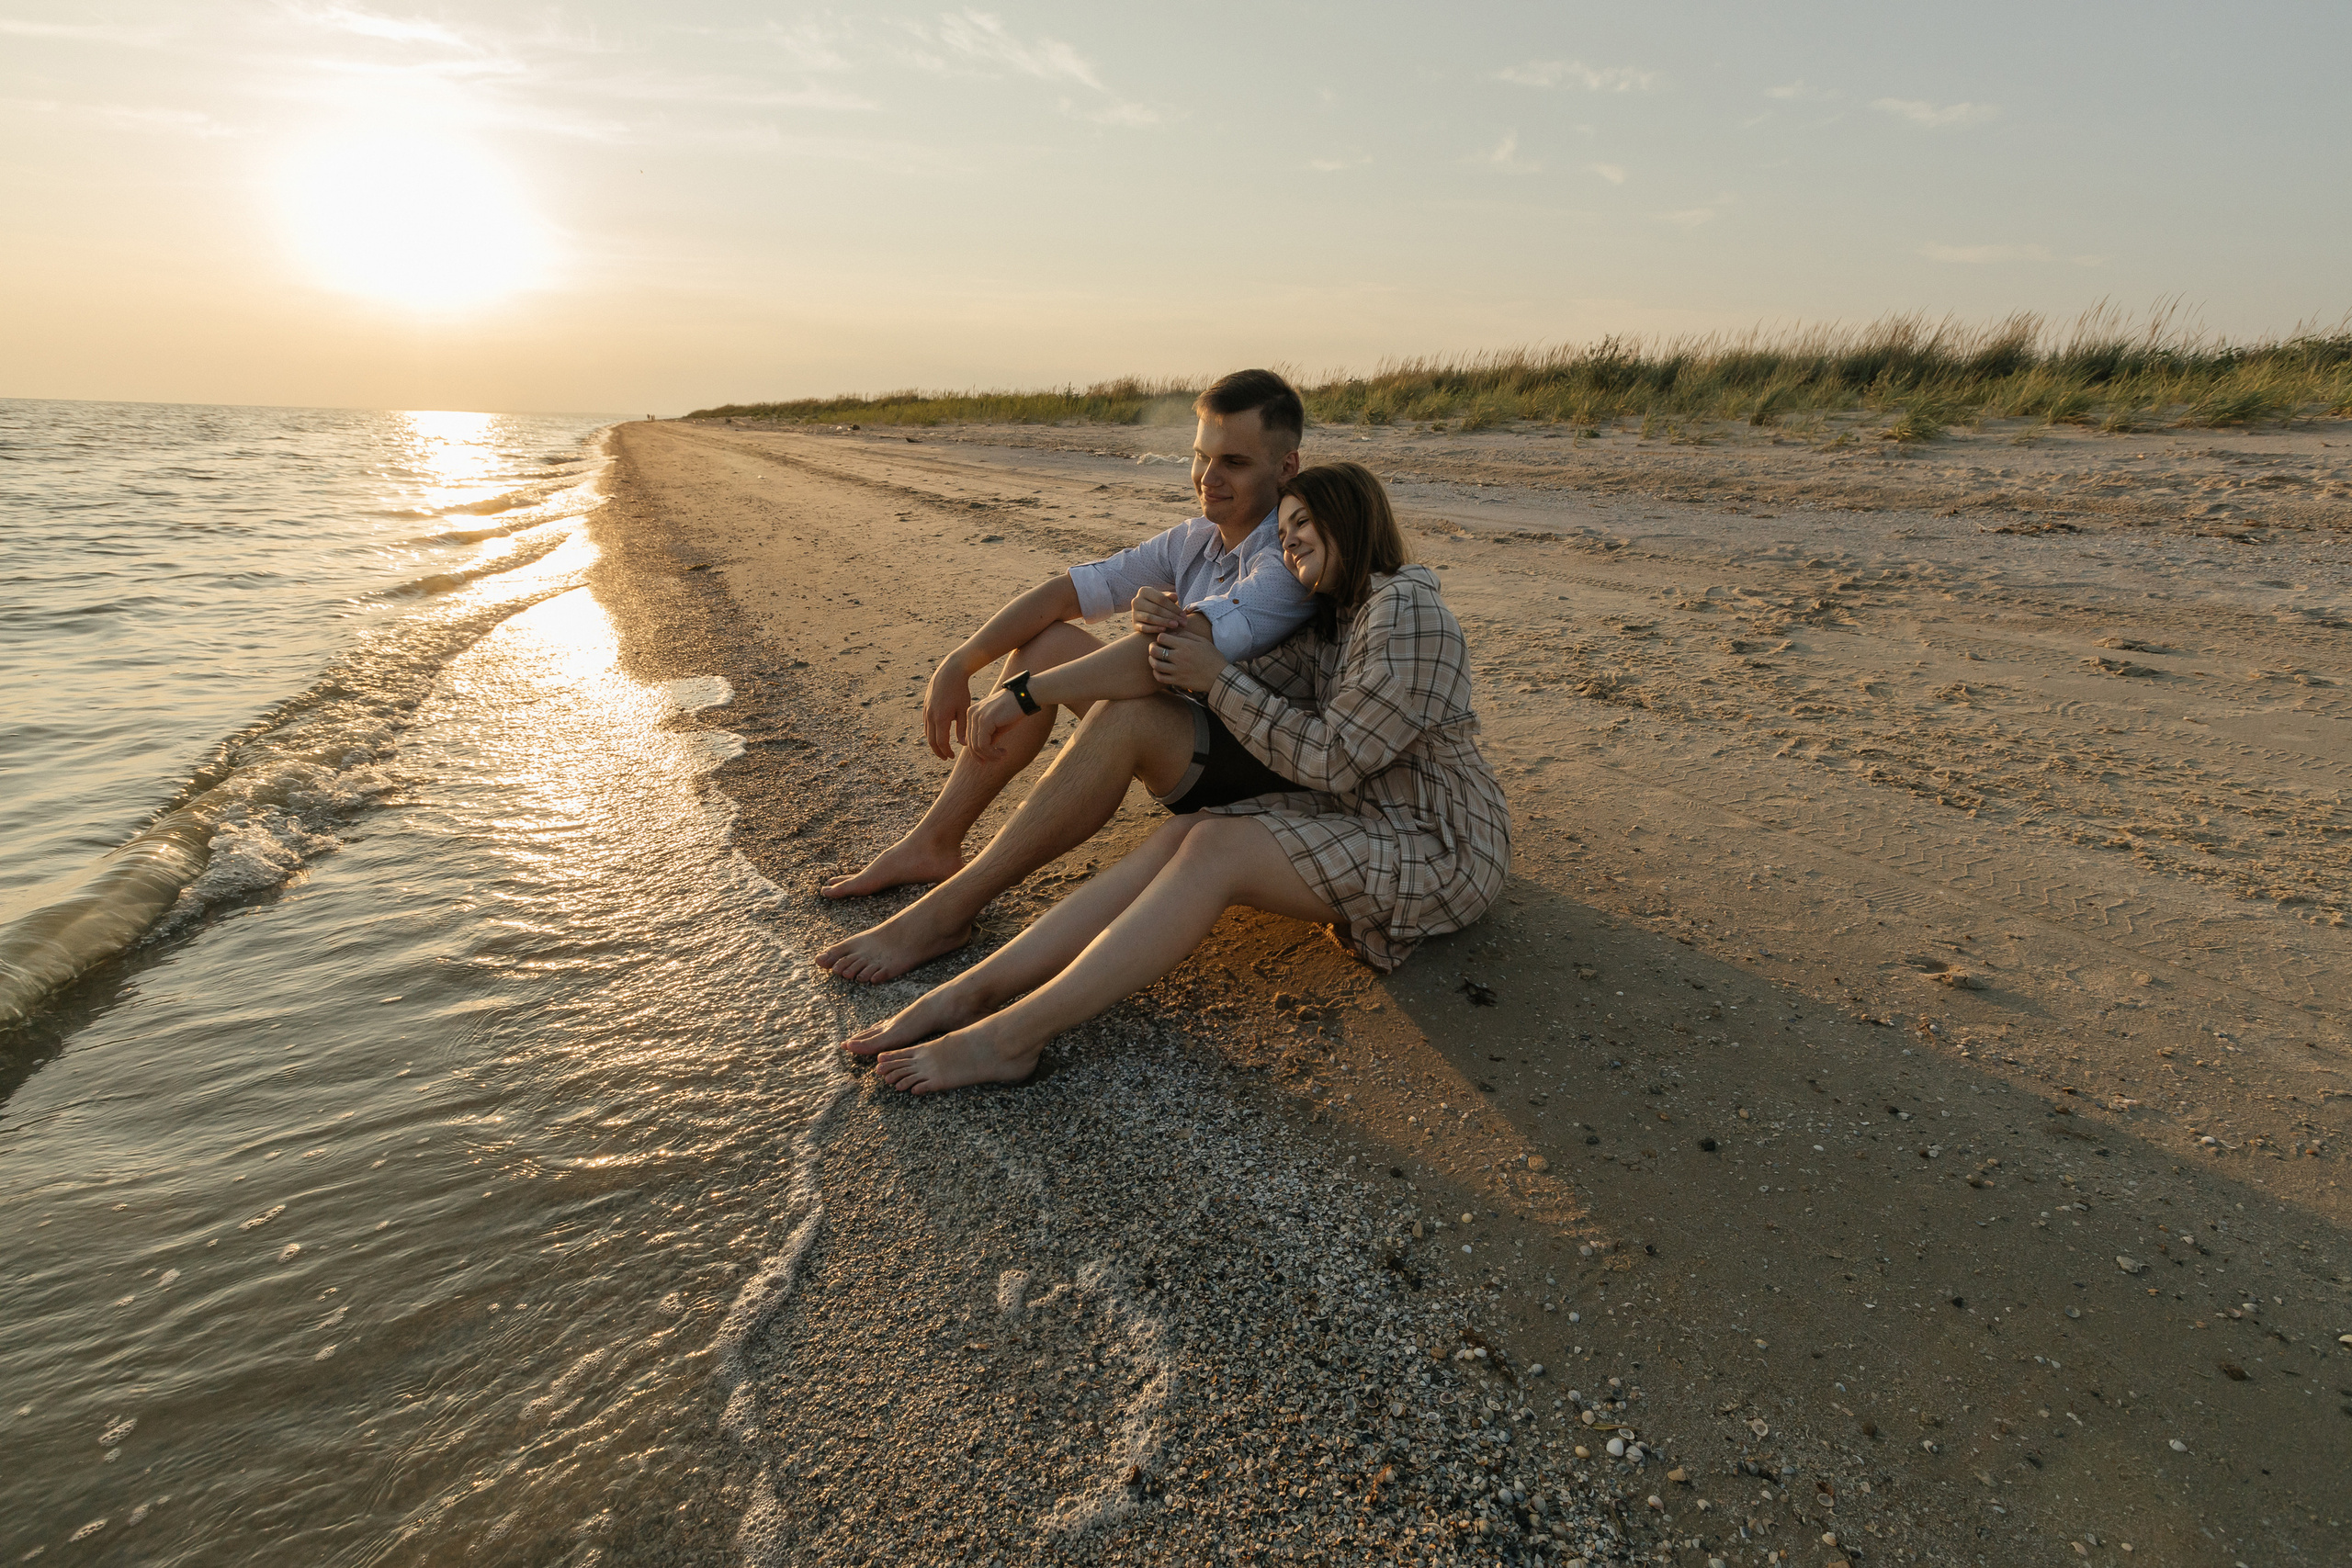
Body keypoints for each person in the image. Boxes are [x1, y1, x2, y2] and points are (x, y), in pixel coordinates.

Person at [843, 461, 1510, 1094]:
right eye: (1283, 532)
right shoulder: (1335, 620)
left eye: (1303, 523)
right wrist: (1173, 628)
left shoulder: (1405, 609)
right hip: (1362, 813)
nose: (1291, 541)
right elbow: (1247, 682)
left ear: (1352, 517)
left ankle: (1011, 1036)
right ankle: (970, 991)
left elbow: (1332, 758)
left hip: (1440, 844)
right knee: (1187, 834)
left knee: (1215, 850)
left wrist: (1212, 674)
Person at [811, 369, 1317, 922]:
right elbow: (1067, 594)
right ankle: (934, 843)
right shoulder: (1196, 539)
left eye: (1234, 464)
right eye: (1202, 457)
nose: (1208, 478)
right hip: (1197, 734)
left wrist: (1026, 694)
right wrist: (960, 663)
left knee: (1130, 712)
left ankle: (953, 909)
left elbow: (1169, 659)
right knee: (1048, 641)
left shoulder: (1290, 557)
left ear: (1286, 466)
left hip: (1264, 766)